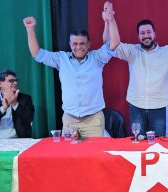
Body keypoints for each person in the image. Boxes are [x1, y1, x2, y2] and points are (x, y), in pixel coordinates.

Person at [22, 1, 120, 137]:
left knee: (94, 156)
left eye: (82, 43)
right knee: (69, 156)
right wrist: (30, 29)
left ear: (88, 44)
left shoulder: (97, 58)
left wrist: (111, 19)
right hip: (70, 119)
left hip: (93, 120)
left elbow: (114, 43)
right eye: (75, 43)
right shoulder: (61, 59)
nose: (78, 47)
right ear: (69, 44)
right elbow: (37, 54)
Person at [103, 15, 168, 137]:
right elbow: (110, 44)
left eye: (148, 32)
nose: (146, 36)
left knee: (158, 144)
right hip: (136, 107)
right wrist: (109, 21)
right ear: (138, 36)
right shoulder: (132, 51)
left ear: (154, 34)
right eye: (142, 33)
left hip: (158, 107)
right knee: (137, 144)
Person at [0, 69, 34, 138]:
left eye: (16, 80)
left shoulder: (25, 98)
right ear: (0, 84)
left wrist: (15, 104)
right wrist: (3, 109)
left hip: (19, 140)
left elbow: (28, 120)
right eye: (11, 81)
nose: (15, 83)